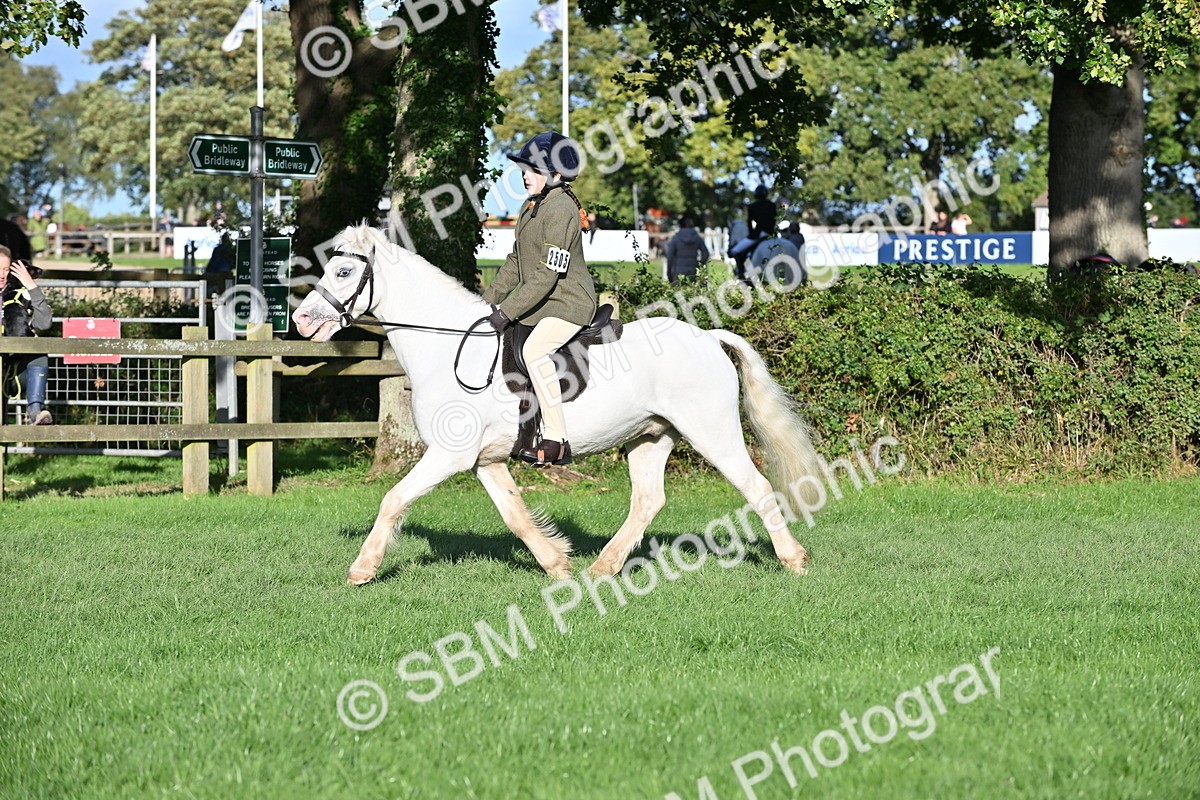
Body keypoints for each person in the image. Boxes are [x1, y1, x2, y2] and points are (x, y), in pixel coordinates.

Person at [483, 131, 598, 467]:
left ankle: (556, 440)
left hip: (569, 303)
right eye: (523, 168)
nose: (524, 174)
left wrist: (507, 311)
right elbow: (516, 263)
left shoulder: (561, 208)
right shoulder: (531, 206)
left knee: (534, 350)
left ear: (556, 175)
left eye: (532, 169)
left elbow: (549, 273)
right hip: (544, 303)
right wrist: (486, 303)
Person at [1, 244, 54, 424]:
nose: (2, 275)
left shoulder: (22, 294)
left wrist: (31, 285)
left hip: (16, 370)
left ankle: (35, 411)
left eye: (6, 269)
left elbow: (44, 323)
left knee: (39, 353)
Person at [729, 185, 777, 282]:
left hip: (758, 234)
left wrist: (752, 235)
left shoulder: (752, 207)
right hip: (771, 234)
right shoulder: (772, 205)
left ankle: (741, 274)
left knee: (735, 251)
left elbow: (750, 224)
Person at [665, 217, 710, 283]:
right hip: (693, 270)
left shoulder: (676, 238)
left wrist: (669, 272)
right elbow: (706, 254)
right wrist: (699, 265)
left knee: (677, 292)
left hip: (678, 271)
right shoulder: (697, 238)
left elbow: (670, 257)